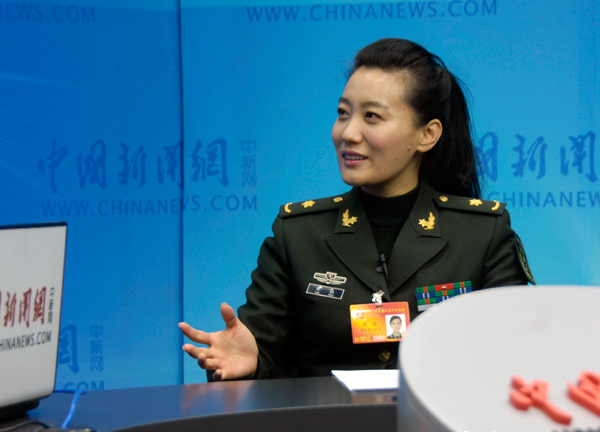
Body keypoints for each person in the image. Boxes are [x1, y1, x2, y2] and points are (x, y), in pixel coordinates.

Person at [179, 38, 534, 381]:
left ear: (427, 134)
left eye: (372, 116)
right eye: (343, 114)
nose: (348, 133)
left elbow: (519, 356)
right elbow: (261, 351)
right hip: (329, 422)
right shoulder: (298, 235)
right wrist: (250, 360)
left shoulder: (482, 233)